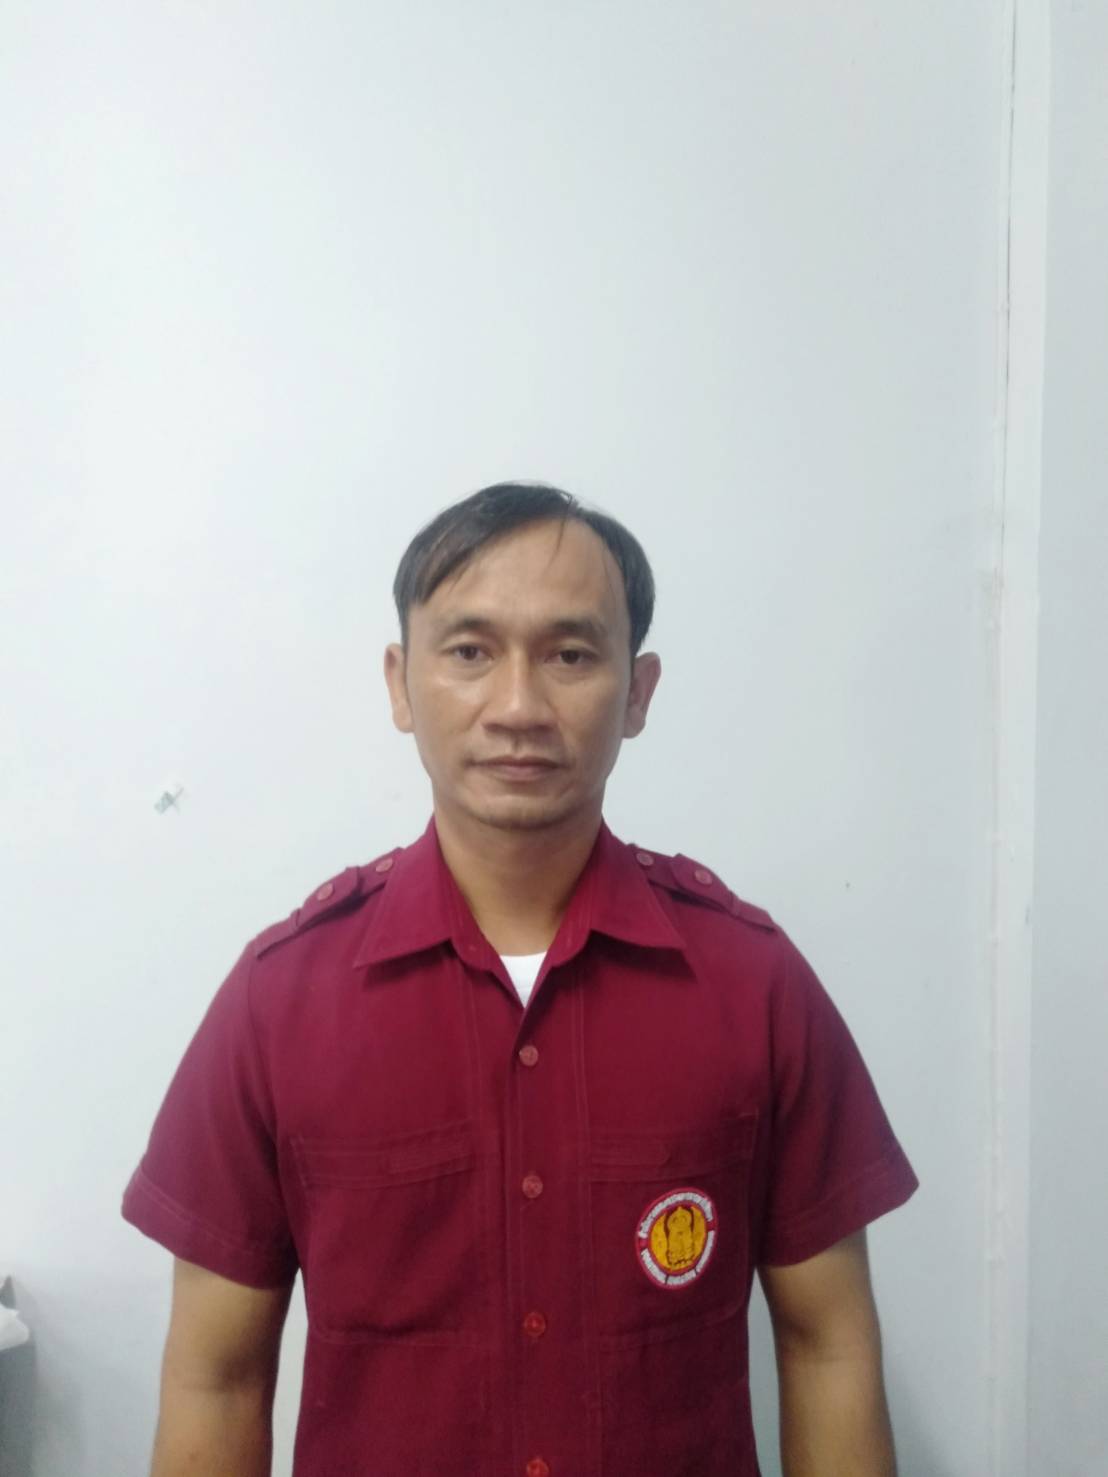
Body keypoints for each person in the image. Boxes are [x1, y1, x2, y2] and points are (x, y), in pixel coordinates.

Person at [122, 480, 920, 1477]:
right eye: (469, 651)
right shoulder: (280, 1001)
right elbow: (216, 1376)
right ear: (400, 684)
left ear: (638, 692)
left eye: (570, 654)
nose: (517, 707)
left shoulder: (752, 984)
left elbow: (828, 1341)